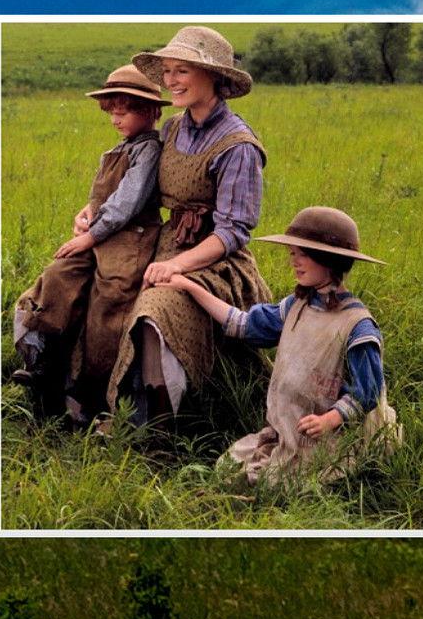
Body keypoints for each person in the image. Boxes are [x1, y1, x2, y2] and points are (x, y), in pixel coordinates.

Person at [101, 26, 272, 422]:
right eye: (167, 71)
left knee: (155, 307)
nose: (170, 81)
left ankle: (154, 425)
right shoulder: (173, 127)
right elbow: (140, 189)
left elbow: (232, 232)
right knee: (102, 280)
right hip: (164, 243)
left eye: (182, 71)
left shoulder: (238, 146)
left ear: (213, 76)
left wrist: (177, 266)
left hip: (214, 261)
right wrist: (92, 212)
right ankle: (81, 393)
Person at [157, 206, 400, 485]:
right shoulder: (296, 307)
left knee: (274, 485)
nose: (294, 262)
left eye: (304, 255)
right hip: (288, 429)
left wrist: (330, 419)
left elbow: (367, 391)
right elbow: (244, 325)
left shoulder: (357, 325)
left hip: (331, 437)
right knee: (227, 468)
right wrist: (190, 287)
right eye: (293, 254)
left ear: (329, 259)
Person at [12, 64, 169, 419]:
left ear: (149, 111)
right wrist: (85, 214)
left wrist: (91, 235)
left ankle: (100, 395)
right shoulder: (118, 148)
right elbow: (103, 198)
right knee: (56, 278)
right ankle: (45, 364)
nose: (116, 119)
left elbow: (128, 201)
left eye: (124, 111)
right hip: (100, 232)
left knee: (110, 303)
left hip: (131, 238)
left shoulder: (149, 151)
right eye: (112, 111)